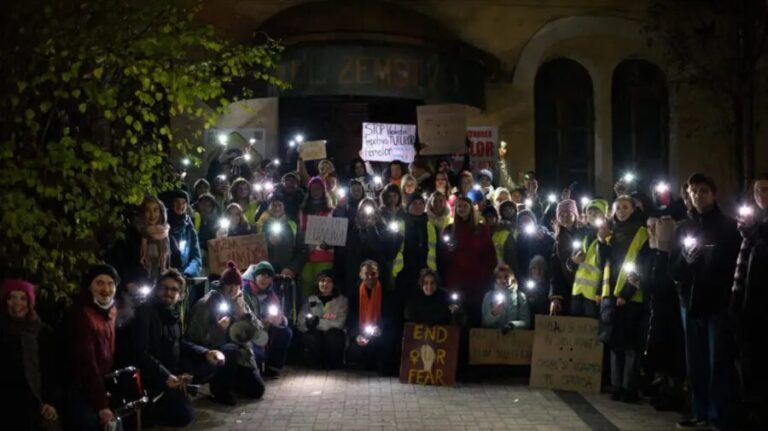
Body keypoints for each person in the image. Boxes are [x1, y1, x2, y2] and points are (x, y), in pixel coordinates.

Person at [670, 174, 741, 430]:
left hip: (717, 304)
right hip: (691, 304)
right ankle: (699, 411)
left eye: (702, 191)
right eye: (693, 191)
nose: (697, 196)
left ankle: (718, 414)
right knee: (696, 362)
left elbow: (734, 266)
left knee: (717, 362)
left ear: (713, 193)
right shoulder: (683, 228)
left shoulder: (729, 228)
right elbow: (674, 270)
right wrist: (687, 261)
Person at [133, 270, 222, 427]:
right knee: (184, 417)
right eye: (164, 287)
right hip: (153, 375)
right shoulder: (145, 313)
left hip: (172, 369)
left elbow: (180, 342)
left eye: (174, 289)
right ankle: (149, 410)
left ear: (180, 295)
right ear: (156, 289)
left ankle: (178, 390)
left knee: (210, 362)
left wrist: (206, 352)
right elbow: (141, 353)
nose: (168, 292)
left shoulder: (173, 313)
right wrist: (166, 376)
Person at [187, 262, 266, 405]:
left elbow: (259, 332)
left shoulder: (241, 301)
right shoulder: (207, 304)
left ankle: (234, 381)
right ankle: (220, 390)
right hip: (216, 354)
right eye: (229, 285)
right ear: (222, 285)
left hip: (242, 356)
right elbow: (195, 337)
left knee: (257, 390)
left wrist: (244, 316)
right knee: (230, 349)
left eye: (237, 286)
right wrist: (217, 329)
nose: (233, 289)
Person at [596, 195, 651, 403]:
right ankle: (617, 386)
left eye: (625, 207)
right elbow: (605, 262)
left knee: (630, 345)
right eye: (617, 207)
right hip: (612, 295)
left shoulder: (641, 232)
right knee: (615, 343)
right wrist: (601, 241)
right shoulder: (612, 231)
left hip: (631, 297)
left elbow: (639, 264)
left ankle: (630, 388)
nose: (621, 211)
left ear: (633, 208)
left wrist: (626, 293)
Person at [730, 174, 768, 430]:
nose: (760, 196)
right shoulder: (753, 229)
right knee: (750, 366)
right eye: (756, 192)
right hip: (749, 304)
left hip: (763, 307)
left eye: (765, 190)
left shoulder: (760, 230)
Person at [64, 264, 120, 431]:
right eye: (99, 283)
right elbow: (86, 362)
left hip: (101, 384)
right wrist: (102, 404)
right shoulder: (81, 314)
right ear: (89, 286)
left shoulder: (111, 311)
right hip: (77, 387)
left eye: (111, 283)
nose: (106, 289)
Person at [0, 279, 60, 431]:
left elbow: (52, 370)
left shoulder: (43, 332)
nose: (17, 303)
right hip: (9, 404)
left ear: (30, 303)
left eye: (23, 298)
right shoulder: (3, 331)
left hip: (38, 403)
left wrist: (50, 402)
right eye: (12, 298)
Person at [442, 196, 496, 326]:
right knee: (457, 318)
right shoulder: (449, 230)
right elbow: (443, 258)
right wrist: (448, 251)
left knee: (475, 317)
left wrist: (487, 277)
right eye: (459, 206)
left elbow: (489, 255)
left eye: (464, 206)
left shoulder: (481, 230)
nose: (461, 209)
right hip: (456, 281)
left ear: (471, 209)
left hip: (477, 282)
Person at [111, 196, 181, 288]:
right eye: (148, 210)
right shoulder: (132, 236)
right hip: (137, 287)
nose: (152, 215)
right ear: (142, 213)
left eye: (155, 210)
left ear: (161, 212)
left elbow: (177, 263)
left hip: (161, 289)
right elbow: (123, 262)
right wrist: (129, 282)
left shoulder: (168, 238)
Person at [241, 262, 293, 379]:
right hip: (249, 330)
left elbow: (278, 313)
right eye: (262, 275)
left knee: (285, 332)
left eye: (269, 276)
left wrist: (279, 320)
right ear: (255, 276)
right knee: (258, 357)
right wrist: (259, 323)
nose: (265, 279)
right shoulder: (244, 292)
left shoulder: (271, 295)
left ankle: (273, 367)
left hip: (266, 327)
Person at [342, 199, 398, 307]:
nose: (366, 213)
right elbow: (350, 257)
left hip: (379, 279)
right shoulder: (354, 231)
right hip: (357, 280)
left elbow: (385, 252)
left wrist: (372, 229)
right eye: (363, 209)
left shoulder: (383, 230)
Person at [296, 270, 348, 370]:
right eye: (322, 281)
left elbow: (340, 323)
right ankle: (316, 363)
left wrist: (318, 322)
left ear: (334, 284)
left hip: (333, 336)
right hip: (316, 336)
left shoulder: (342, 301)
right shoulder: (311, 300)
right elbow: (301, 321)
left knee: (334, 336)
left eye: (329, 281)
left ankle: (334, 363)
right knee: (310, 337)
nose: (325, 284)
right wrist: (309, 324)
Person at [568, 198, 609, 317]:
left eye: (596, 213)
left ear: (604, 215)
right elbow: (571, 262)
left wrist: (600, 291)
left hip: (594, 293)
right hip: (578, 290)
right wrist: (573, 261)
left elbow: (606, 264)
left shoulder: (608, 235)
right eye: (590, 213)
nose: (592, 215)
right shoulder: (581, 234)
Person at [346, 260, 389, 374]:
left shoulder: (387, 292)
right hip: (361, 334)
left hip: (379, 334)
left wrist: (380, 329)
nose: (370, 277)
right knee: (355, 352)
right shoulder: (354, 294)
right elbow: (351, 319)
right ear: (360, 275)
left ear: (378, 274)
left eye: (373, 273)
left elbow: (390, 317)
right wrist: (357, 335)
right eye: (366, 274)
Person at [299, 176, 336, 298]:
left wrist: (329, 243)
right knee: (306, 285)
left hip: (325, 255)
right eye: (313, 189)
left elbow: (335, 232)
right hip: (307, 255)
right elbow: (300, 231)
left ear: (323, 190)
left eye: (319, 189)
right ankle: (307, 313)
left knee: (324, 288)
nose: (316, 192)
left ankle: (324, 315)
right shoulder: (303, 210)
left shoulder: (331, 211)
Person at [548, 199, 585, 315]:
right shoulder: (558, 242)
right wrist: (555, 296)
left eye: (568, 214)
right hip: (567, 288)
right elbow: (556, 270)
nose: (565, 218)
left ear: (575, 214)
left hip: (586, 287)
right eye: (561, 215)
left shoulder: (585, 234)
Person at [258, 195, 307, 280]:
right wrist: (269, 243)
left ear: (284, 207)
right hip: (268, 274)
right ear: (268, 207)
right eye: (273, 205)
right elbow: (256, 248)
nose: (277, 208)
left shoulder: (293, 224)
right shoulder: (262, 225)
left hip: (288, 273)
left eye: (280, 205)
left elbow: (302, 249)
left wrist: (292, 268)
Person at [481, 264, 531, 330]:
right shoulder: (489, 296)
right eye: (499, 277)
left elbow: (526, 322)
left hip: (515, 337)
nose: (503, 280)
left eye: (506, 277)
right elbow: (484, 323)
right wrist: (494, 313)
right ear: (496, 279)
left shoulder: (520, 297)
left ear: (512, 277)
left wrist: (511, 325)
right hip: (493, 337)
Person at [166, 189, 203, 278]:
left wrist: (188, 273)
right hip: (163, 276)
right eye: (177, 202)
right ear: (171, 203)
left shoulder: (189, 227)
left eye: (184, 203)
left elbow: (196, 257)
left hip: (183, 277)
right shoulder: (163, 225)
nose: (180, 205)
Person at [514, 209, 555, 283]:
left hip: (543, 273)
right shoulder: (519, 238)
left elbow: (551, 249)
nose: (525, 223)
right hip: (526, 273)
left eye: (528, 220)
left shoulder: (542, 233)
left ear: (533, 222)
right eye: (522, 221)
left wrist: (544, 239)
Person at [482, 206, 517, 270]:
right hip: (485, 270)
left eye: (491, 216)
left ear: (496, 217)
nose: (489, 219)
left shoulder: (505, 233)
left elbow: (512, 257)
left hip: (502, 270)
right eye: (486, 217)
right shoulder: (480, 234)